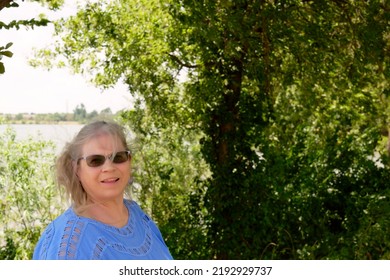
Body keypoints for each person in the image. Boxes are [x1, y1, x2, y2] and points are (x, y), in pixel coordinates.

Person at [33, 120, 173, 260]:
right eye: (95, 160)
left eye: (118, 157)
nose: (109, 168)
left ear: (129, 160)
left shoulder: (138, 217)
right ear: (76, 168)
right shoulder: (68, 244)